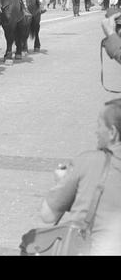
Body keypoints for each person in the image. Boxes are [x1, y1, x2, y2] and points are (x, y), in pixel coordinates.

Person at [37, 99, 121, 255]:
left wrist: (62, 182)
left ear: (113, 133)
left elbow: (48, 216)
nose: (96, 131)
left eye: (99, 125)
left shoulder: (90, 162)